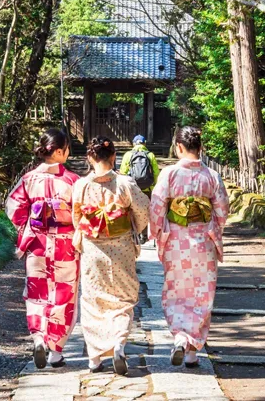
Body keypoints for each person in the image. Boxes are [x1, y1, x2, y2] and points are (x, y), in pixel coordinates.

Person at [149, 126, 229, 368]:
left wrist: (156, 232)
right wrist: (213, 227)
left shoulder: (170, 173)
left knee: (176, 290)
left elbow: (157, 206)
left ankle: (180, 338)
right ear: (200, 148)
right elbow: (222, 210)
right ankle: (192, 351)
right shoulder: (212, 176)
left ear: (179, 147)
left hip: (176, 241)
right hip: (203, 241)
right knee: (202, 294)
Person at [72, 136, 150, 375]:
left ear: (89, 158)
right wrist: (134, 228)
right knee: (122, 298)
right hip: (121, 248)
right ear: (114, 156)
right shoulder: (125, 183)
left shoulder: (81, 185)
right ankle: (118, 343)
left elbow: (77, 217)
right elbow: (143, 210)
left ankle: (95, 358)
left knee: (93, 300)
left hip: (93, 249)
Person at [6, 129, 80, 369]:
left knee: (37, 293)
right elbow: (81, 214)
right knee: (63, 296)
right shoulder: (72, 181)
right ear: (59, 151)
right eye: (67, 148)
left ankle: (39, 337)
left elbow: (15, 209)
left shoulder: (29, 179)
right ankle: (56, 351)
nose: (68, 152)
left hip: (37, 245)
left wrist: (29, 225)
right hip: (65, 245)